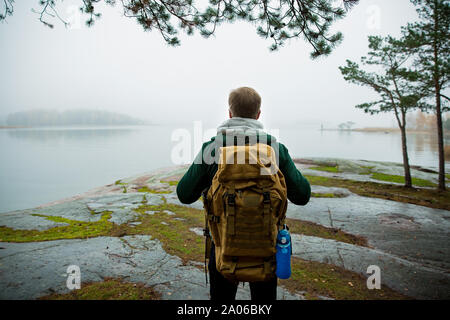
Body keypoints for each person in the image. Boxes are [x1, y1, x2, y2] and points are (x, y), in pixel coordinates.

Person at [176, 87, 311, 301]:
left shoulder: (213, 148)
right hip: (266, 243)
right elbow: (302, 195)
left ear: (230, 113)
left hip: (222, 244)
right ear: (258, 114)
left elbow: (184, 194)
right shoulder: (275, 148)